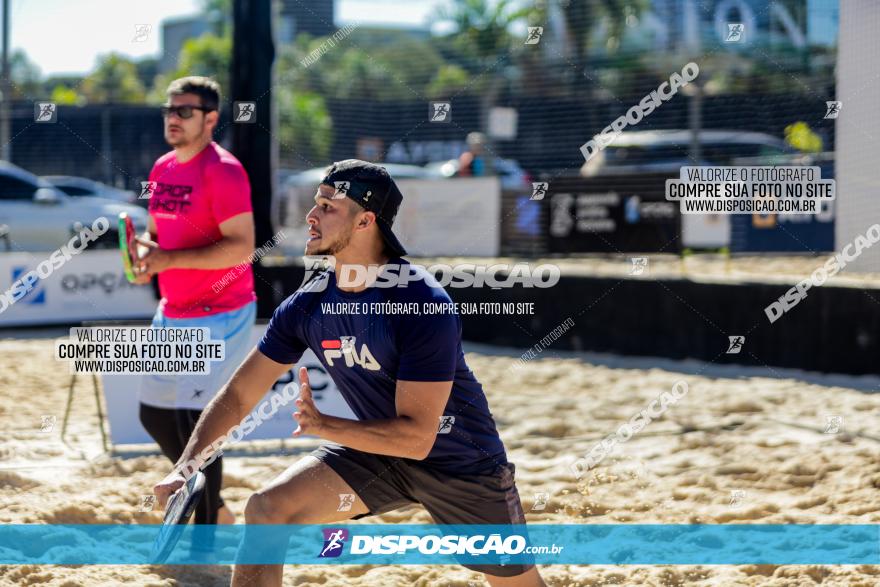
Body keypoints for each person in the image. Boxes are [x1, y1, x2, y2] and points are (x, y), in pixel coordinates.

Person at [153, 160, 547, 586]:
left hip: (461, 465)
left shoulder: (421, 304)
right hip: (379, 455)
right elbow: (237, 398)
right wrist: (185, 466)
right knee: (267, 510)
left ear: (365, 220)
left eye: (327, 205)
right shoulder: (309, 304)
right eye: (315, 203)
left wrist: (325, 425)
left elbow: (417, 438)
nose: (311, 215)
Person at [134, 76, 257, 531]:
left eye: (184, 111)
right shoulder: (163, 167)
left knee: (198, 426)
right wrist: (147, 254)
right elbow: (156, 233)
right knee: (152, 412)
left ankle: (206, 534)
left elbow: (241, 248)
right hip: (174, 307)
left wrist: (167, 257)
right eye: (168, 110)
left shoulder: (223, 170)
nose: (172, 118)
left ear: (210, 119)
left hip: (220, 313)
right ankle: (218, 509)